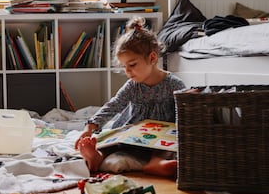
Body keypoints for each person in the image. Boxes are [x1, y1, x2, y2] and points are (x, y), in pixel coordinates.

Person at [75, 16, 186, 178]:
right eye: (124, 67)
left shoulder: (174, 84)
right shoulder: (132, 85)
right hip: (131, 135)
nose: (128, 72)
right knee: (111, 139)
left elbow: (182, 115)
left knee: (168, 144)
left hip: (159, 139)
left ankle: (155, 164)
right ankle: (97, 157)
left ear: (152, 58)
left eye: (132, 65)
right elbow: (114, 105)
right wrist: (90, 127)